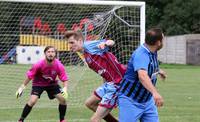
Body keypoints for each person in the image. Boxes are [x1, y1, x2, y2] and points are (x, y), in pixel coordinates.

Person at [65, 30, 126, 122]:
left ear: (80, 41)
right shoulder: (85, 53)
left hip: (117, 83)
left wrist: (105, 44)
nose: (70, 46)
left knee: (94, 120)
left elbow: (111, 42)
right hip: (109, 83)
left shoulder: (90, 46)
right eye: (69, 43)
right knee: (90, 103)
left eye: (72, 42)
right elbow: (103, 70)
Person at [118, 28, 167, 122]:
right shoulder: (141, 54)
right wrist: (155, 93)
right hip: (131, 100)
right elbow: (142, 76)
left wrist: (158, 70)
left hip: (147, 101)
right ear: (158, 42)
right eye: (163, 39)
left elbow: (148, 65)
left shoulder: (152, 51)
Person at [16, 46, 69, 122]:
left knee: (63, 99)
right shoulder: (38, 64)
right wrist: (21, 88)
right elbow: (30, 76)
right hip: (38, 83)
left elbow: (65, 78)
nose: (50, 54)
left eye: (52, 52)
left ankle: (62, 120)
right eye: (49, 52)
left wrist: (65, 89)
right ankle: (21, 120)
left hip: (52, 84)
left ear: (55, 54)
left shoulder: (59, 65)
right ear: (45, 53)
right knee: (33, 101)